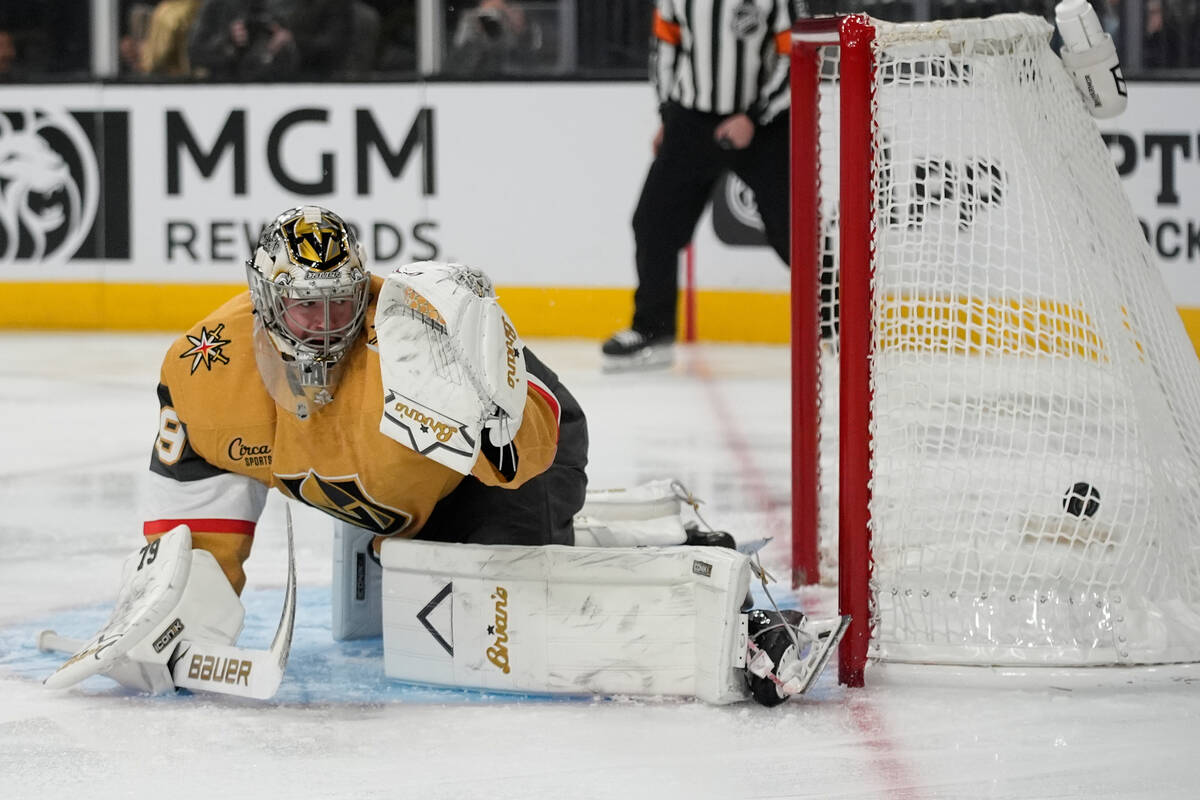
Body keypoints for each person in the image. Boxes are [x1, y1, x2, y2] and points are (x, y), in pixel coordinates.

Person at [45, 205, 837, 706]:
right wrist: (174, 617)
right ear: (263, 299)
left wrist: (490, 424)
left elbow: (537, 429)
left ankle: (726, 611)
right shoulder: (204, 372)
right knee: (441, 587)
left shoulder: (416, 340)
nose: (323, 326)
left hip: (518, 453)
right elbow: (194, 537)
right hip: (400, 495)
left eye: (340, 304)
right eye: (303, 307)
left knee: (510, 613)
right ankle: (653, 531)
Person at [601, 0, 802, 371]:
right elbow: (665, 50)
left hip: (763, 127)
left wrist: (754, 116)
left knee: (793, 231)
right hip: (691, 120)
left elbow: (794, 54)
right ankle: (653, 331)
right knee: (653, 223)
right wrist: (669, 116)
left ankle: (839, 322)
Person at [188, 0, 299, 80]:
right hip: (226, 87)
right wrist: (227, 42)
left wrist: (288, 45)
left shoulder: (285, 6)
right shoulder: (217, 5)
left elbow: (304, 55)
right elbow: (195, 54)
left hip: (276, 85)